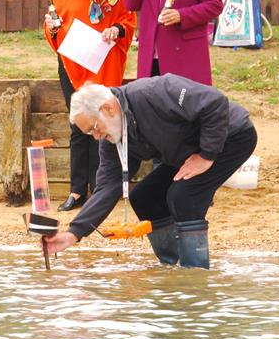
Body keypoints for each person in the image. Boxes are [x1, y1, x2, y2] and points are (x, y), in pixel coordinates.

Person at [44, 75, 257, 269]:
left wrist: (207, 155)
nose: (96, 136)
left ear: (108, 108)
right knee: (145, 198)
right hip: (187, 150)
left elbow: (214, 101)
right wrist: (74, 233)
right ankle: (172, 264)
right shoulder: (112, 137)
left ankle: (195, 275)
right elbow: (107, 187)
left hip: (230, 138)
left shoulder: (153, 92)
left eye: (94, 127)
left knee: (184, 196)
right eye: (89, 133)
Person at [43, 0, 137, 212]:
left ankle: (101, 188)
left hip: (104, 63)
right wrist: (51, 25)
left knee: (103, 125)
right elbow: (56, 23)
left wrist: (116, 30)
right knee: (77, 125)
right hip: (72, 63)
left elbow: (128, 20)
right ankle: (76, 190)